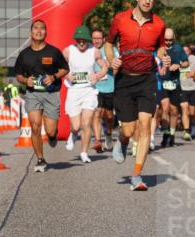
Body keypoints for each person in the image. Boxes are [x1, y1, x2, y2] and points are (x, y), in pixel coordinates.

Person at [106, 0, 167, 191]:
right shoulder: (120, 19)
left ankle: (136, 175)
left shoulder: (159, 24)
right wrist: (111, 59)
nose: (148, 0)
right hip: (124, 79)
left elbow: (159, 48)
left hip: (147, 79)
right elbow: (108, 43)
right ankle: (122, 139)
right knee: (129, 129)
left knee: (145, 125)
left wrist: (163, 57)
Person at [12, 19, 69, 172]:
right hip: (33, 94)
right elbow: (17, 75)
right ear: (30, 33)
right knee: (35, 127)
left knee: (50, 130)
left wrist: (54, 77)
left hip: (51, 93)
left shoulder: (53, 52)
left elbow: (65, 69)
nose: (39, 31)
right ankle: (40, 159)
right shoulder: (24, 54)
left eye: (42, 28)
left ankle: (52, 136)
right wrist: (26, 80)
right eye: (36, 28)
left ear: (46, 32)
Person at [63, 25, 107, 164]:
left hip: (89, 91)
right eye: (79, 40)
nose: (81, 43)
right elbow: (59, 67)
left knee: (86, 123)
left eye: (84, 40)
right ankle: (73, 134)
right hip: (74, 91)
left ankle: (84, 152)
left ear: (88, 40)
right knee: (76, 126)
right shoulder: (68, 51)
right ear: (76, 39)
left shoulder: (94, 51)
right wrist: (67, 75)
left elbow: (105, 65)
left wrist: (98, 76)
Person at [157, 28, 189, 147]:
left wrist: (179, 64)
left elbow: (186, 62)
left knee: (174, 111)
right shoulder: (160, 48)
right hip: (163, 81)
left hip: (175, 83)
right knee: (165, 108)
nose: (168, 42)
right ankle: (165, 135)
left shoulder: (178, 48)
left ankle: (172, 135)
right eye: (166, 40)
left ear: (174, 38)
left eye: (170, 40)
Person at [91, 28, 117, 152]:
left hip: (110, 87)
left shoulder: (110, 50)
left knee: (109, 116)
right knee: (97, 113)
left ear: (103, 39)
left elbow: (118, 65)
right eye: (94, 38)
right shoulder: (89, 51)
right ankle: (97, 140)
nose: (96, 41)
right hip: (95, 88)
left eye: (98, 38)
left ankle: (108, 134)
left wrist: (109, 64)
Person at [179, 44, 195, 141]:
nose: (185, 52)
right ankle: (186, 131)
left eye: (186, 51)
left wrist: (194, 74)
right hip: (182, 88)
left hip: (193, 88)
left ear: (190, 51)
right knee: (185, 110)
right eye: (183, 51)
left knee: (192, 112)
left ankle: (193, 127)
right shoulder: (178, 59)